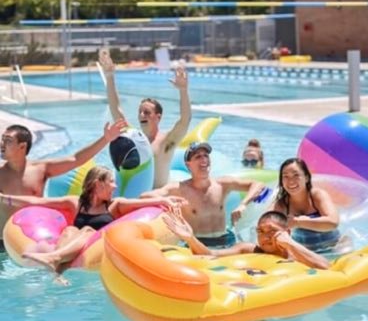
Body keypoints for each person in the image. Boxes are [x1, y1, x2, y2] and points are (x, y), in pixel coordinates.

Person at [3, 165, 185, 284]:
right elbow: (37, 203)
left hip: (98, 250)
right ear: (98, 184)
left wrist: (166, 200)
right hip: (73, 249)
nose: (115, 186)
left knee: (88, 229)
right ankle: (57, 269)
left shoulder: (115, 205)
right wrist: (5, 198)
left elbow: (144, 203)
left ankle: (54, 259)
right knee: (70, 229)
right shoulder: (75, 203)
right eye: (111, 182)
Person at [0, 120, 128, 249]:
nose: (2, 144)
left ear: (22, 146)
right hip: (4, 243)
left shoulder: (40, 169)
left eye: (8, 140)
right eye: (2, 139)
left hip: (34, 239)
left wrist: (105, 139)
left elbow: (76, 160)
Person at [141, 141, 265, 247]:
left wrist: (243, 205)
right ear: (188, 165)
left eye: (206, 155)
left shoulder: (222, 184)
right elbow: (144, 196)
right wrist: (164, 200)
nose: (204, 159)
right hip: (198, 242)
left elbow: (258, 184)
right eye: (198, 157)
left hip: (225, 239)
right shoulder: (178, 188)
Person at [99, 49, 192, 188]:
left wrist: (183, 90)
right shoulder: (133, 138)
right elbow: (116, 109)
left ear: (158, 117)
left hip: (159, 198)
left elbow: (185, 120)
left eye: (147, 112)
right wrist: (110, 76)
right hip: (137, 198)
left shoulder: (166, 141)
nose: (142, 115)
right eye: (140, 112)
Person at [163, 209, 330, 270]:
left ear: (287, 232)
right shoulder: (248, 249)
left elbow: (326, 267)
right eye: (260, 231)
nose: (264, 237)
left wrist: (290, 243)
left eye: (271, 231)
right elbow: (208, 253)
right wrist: (190, 238)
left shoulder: (296, 255)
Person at [269, 157, 342, 252]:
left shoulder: (317, 196)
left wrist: (298, 222)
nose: (291, 181)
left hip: (334, 247)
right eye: (285, 176)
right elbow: (266, 223)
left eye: (296, 175)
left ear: (306, 178)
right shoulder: (282, 205)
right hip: (305, 253)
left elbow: (333, 222)